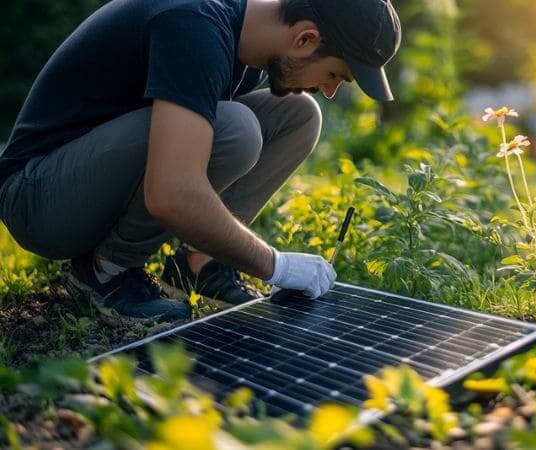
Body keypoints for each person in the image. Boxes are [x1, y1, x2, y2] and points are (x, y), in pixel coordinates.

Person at [0, 0, 401, 324]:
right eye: (336, 74)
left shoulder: (244, 33)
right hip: (40, 199)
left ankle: (199, 262)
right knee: (235, 128)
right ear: (305, 38)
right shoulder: (194, 24)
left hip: (88, 182)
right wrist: (276, 266)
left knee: (300, 115)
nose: (329, 90)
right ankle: (107, 270)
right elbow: (171, 193)